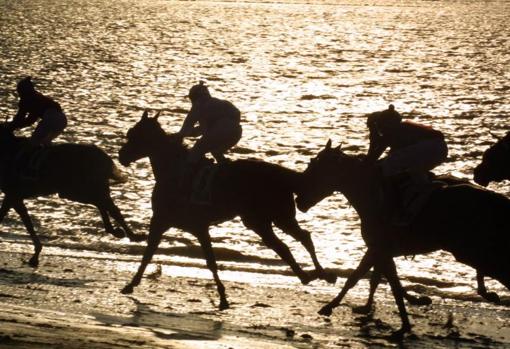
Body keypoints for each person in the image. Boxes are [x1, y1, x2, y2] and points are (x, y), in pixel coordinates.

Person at [365, 104, 448, 223]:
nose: (376, 129)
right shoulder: (402, 129)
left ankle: (399, 207)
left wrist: (372, 141)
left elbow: (373, 158)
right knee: (405, 165)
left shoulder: (391, 132)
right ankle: (421, 187)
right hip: (440, 148)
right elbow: (390, 154)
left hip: (429, 147)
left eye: (374, 127)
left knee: (387, 167)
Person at [177, 81, 242, 164]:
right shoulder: (223, 103)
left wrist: (178, 135)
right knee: (216, 152)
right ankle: (223, 169)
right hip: (236, 132)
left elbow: (186, 128)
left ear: (194, 97)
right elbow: (203, 130)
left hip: (219, 131)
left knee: (195, 152)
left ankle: (187, 174)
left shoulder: (198, 105)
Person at [10, 76, 67, 146]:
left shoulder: (26, 100)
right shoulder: (38, 97)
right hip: (62, 119)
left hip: (50, 118)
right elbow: (30, 120)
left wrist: (11, 126)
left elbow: (22, 118)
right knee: (45, 142)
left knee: (34, 141)